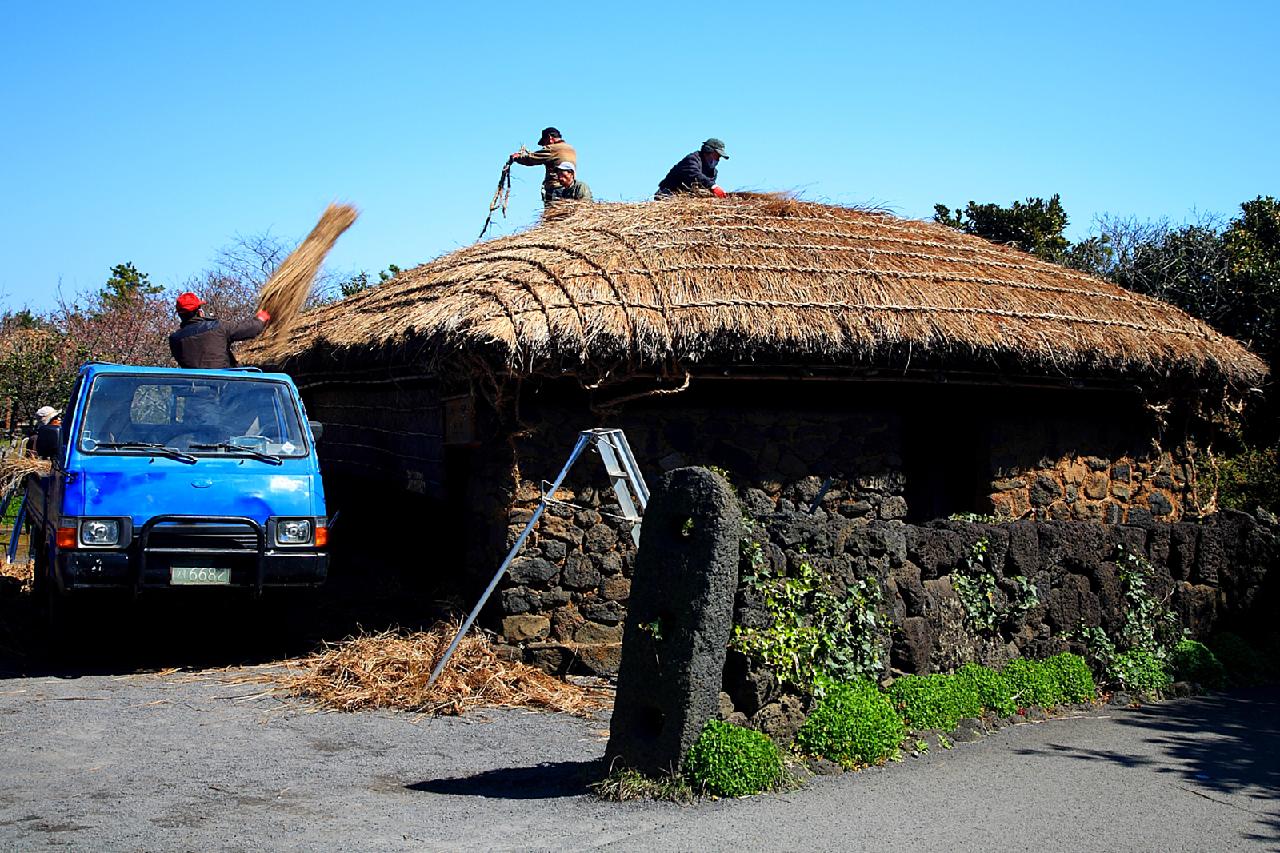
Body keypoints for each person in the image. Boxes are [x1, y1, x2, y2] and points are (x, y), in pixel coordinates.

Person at [168, 292, 271, 369]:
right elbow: (251, 329)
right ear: (199, 311)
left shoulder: (174, 339)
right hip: (224, 387)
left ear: (180, 315)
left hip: (194, 390)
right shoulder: (218, 328)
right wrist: (260, 319)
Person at [510, 127, 578, 203]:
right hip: (570, 189)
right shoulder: (571, 149)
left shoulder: (553, 149)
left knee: (553, 213)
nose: (544, 146)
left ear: (550, 138)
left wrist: (517, 158)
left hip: (556, 189)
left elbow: (532, 159)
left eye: (544, 142)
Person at [655, 138, 729, 199]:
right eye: (717, 156)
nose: (718, 160)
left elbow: (704, 188)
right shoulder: (692, 159)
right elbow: (694, 174)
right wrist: (713, 186)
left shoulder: (712, 172)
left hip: (687, 199)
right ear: (708, 151)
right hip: (668, 195)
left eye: (719, 157)